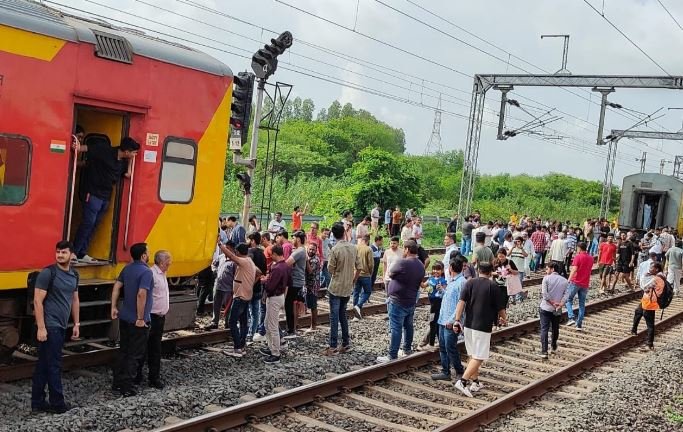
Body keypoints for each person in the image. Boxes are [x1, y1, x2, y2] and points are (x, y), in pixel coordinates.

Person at [72, 137, 140, 262]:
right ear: (127, 152)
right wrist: (77, 146)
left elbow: (127, 174)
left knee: (95, 224)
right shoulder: (104, 151)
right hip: (92, 192)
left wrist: (130, 165)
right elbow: (86, 148)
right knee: (88, 223)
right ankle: (74, 252)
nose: (135, 155)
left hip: (106, 196)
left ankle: (82, 252)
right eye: (134, 153)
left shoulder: (123, 162)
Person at [31, 240, 80, 413]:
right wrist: (41, 327)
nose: (60, 255)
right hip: (50, 326)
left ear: (72, 254)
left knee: (44, 364)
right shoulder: (48, 273)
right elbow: (37, 301)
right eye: (58, 252)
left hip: (61, 325)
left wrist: (76, 324)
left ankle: (37, 402)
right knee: (54, 364)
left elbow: (74, 299)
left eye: (64, 252)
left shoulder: (74, 275)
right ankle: (58, 404)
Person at [453, 262, 508, 397]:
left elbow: (461, 302)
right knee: (479, 356)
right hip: (483, 326)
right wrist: (504, 319)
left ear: (478, 270)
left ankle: (475, 382)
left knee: (472, 354)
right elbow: (500, 308)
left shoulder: (469, 283)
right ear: (491, 272)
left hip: (468, 324)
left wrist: (457, 320)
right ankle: (463, 381)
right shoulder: (493, 286)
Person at [111, 243, 153, 397]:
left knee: (124, 350)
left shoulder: (127, 269)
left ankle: (117, 382)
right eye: (148, 252)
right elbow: (142, 294)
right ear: (143, 255)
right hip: (137, 320)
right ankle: (127, 387)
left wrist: (113, 307)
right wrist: (141, 318)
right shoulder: (146, 272)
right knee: (135, 354)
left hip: (125, 317)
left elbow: (116, 287)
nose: (149, 254)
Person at [377, 240, 424, 363]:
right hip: (411, 300)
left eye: (404, 248)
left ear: (407, 250)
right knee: (408, 326)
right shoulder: (420, 264)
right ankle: (406, 349)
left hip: (398, 300)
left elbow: (391, 273)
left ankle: (392, 355)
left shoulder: (403, 262)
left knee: (396, 328)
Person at [218, 242, 261, 357]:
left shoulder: (243, 261)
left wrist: (220, 245)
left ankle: (237, 348)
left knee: (232, 322)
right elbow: (259, 272)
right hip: (246, 295)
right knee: (243, 322)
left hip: (240, 296)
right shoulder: (250, 262)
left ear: (238, 252)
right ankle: (241, 346)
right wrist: (250, 283)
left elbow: (231, 257)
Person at [136, 250, 171, 389]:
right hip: (151, 316)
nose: (170, 263)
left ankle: (153, 377)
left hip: (160, 317)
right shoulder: (151, 274)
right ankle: (137, 377)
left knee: (156, 348)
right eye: (169, 260)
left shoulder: (162, 273)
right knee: (143, 348)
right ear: (162, 262)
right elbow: (143, 295)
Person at [324, 222, 359, 356]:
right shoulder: (353, 247)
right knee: (343, 314)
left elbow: (330, 269)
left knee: (334, 316)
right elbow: (359, 267)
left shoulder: (335, 249)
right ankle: (345, 343)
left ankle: (333, 346)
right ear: (344, 232)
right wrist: (353, 280)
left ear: (333, 234)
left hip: (336, 286)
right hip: (347, 287)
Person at [431, 259, 466, 381]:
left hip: (450, 321)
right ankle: (445, 371)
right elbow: (452, 298)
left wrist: (453, 320)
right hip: (443, 319)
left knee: (450, 347)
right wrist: (443, 291)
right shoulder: (453, 281)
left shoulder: (461, 282)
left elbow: (461, 304)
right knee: (443, 346)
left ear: (451, 268)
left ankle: (459, 371)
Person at [260, 245, 291, 364]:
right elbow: (289, 282)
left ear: (275, 254)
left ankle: (275, 353)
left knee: (272, 326)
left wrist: (265, 282)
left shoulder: (277, 268)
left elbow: (271, 286)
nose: (270, 256)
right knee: (268, 323)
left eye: (271, 254)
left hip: (274, 297)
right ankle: (272, 347)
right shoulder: (286, 266)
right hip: (280, 296)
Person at [631, 261, 666, 351]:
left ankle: (649, 344)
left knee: (650, 324)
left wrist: (643, 276)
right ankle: (633, 330)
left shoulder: (657, 279)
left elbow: (644, 287)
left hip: (650, 303)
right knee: (638, 312)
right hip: (646, 301)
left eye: (651, 268)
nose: (649, 270)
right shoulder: (660, 276)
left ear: (657, 269)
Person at [538, 262, 570, 359]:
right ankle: (553, 345)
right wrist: (560, 303)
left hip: (546, 307)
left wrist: (551, 302)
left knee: (544, 329)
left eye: (547, 269)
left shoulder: (546, 278)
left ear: (552, 269)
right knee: (555, 327)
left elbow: (544, 293)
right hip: (557, 308)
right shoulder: (564, 281)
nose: (546, 271)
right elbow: (567, 294)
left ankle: (544, 351)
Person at [205, 242, 235, 330]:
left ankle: (227, 323)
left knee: (228, 306)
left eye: (227, 248)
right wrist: (215, 270)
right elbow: (213, 264)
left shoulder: (234, 260)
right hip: (218, 285)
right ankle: (215, 322)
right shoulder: (221, 257)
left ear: (231, 249)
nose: (225, 250)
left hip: (228, 287)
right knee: (216, 304)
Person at [418, 262, 447, 351]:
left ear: (442, 271)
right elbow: (423, 285)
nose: (435, 271)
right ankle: (441, 342)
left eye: (438, 269)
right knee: (435, 323)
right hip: (432, 304)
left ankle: (431, 344)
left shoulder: (442, 280)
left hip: (437, 304)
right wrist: (418, 277)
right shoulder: (431, 279)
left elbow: (445, 292)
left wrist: (441, 289)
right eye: (434, 269)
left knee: (433, 323)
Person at [565, 242, 592, 331]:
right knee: (582, 304)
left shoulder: (578, 257)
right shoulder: (590, 258)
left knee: (568, 299)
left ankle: (571, 317)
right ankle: (579, 324)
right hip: (585, 283)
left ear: (579, 248)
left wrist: (568, 280)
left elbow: (574, 270)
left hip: (575, 282)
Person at [284, 231, 307, 338]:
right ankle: (291, 328)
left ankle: (290, 330)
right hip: (297, 281)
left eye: (293, 238)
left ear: (298, 239)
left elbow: (287, 263)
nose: (292, 240)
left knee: (288, 304)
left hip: (295, 281)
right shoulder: (301, 250)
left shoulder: (299, 251)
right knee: (290, 304)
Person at [247, 232, 267, 341]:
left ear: (253, 240)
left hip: (249, 286)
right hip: (258, 286)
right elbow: (264, 271)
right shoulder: (263, 253)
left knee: (246, 311)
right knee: (255, 311)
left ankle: (246, 332)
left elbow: (248, 266)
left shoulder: (250, 252)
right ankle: (252, 333)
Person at [352, 234, 374, 320]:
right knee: (367, 292)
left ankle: (356, 314)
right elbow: (371, 264)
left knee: (356, 292)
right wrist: (370, 272)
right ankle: (358, 305)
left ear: (362, 240)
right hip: (365, 274)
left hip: (356, 273)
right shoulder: (368, 249)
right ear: (368, 241)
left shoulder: (355, 247)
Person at [304, 242, 321, 332]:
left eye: (313, 249)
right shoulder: (310, 258)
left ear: (316, 250)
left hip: (312, 286)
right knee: (310, 305)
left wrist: (306, 261)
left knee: (313, 306)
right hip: (309, 285)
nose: (311, 251)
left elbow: (310, 271)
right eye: (310, 249)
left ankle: (313, 326)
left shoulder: (315, 260)